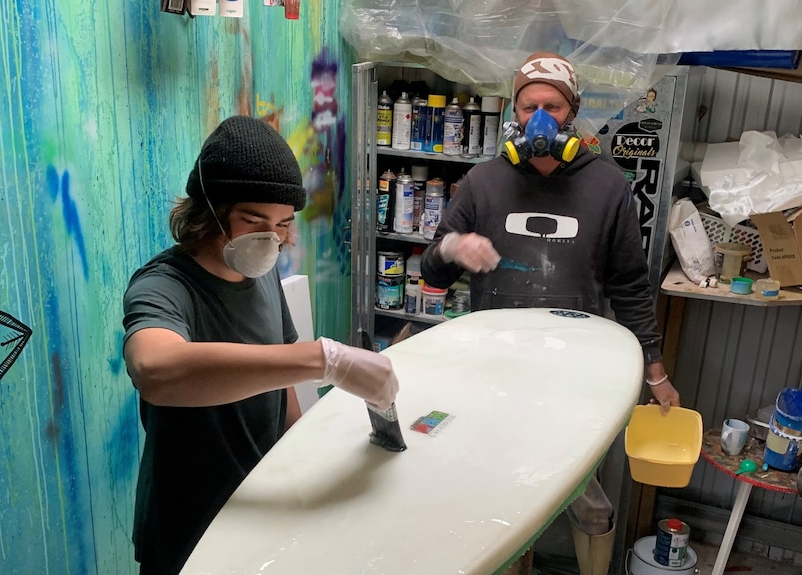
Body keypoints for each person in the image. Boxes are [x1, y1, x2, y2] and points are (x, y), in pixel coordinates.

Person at [420, 52, 680, 575]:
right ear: (514, 112)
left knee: (583, 495)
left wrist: (656, 368)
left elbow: (630, 284)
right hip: (492, 367)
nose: (541, 117)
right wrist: (451, 248)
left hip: (574, 374)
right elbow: (433, 271)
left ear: (573, 111)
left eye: (554, 106)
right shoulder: (482, 183)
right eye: (530, 105)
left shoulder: (607, 187)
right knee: (497, 492)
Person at [122, 115, 398, 574]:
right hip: (190, 528)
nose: (275, 239)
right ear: (211, 211)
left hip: (260, 506)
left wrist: (300, 462)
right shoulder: (164, 287)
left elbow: (280, 383)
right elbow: (155, 369)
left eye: (285, 223)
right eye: (255, 221)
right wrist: (323, 359)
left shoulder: (262, 269)